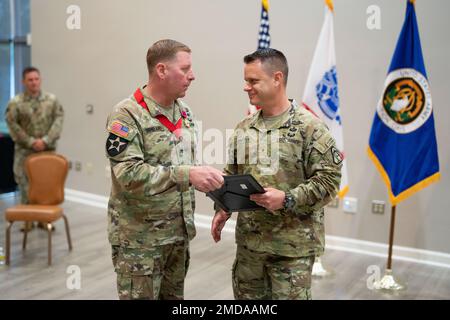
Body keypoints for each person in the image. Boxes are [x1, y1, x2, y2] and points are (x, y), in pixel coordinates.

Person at [211, 48, 342, 300]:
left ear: (277, 78)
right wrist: (223, 208)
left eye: (253, 81)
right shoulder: (244, 127)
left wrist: (287, 199)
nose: (246, 87)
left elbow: (329, 181)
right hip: (250, 248)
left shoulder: (310, 128)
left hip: (291, 250)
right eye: (246, 80)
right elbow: (232, 176)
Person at [105, 39, 224, 300]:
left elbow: (185, 166)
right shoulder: (126, 115)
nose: (192, 76)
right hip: (141, 242)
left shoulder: (185, 112)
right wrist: (187, 174)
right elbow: (128, 175)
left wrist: (216, 184)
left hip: (177, 237)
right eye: (185, 69)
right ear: (161, 70)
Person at [5, 66, 64, 231]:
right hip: (25, 152)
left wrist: (45, 140)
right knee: (25, 185)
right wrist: (31, 142)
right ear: (23, 82)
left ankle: (44, 220)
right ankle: (27, 220)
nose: (34, 82)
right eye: (30, 80)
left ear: (40, 79)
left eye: (36, 79)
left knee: (45, 185)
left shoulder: (51, 100)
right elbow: (12, 124)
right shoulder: (16, 103)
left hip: (47, 151)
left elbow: (58, 120)